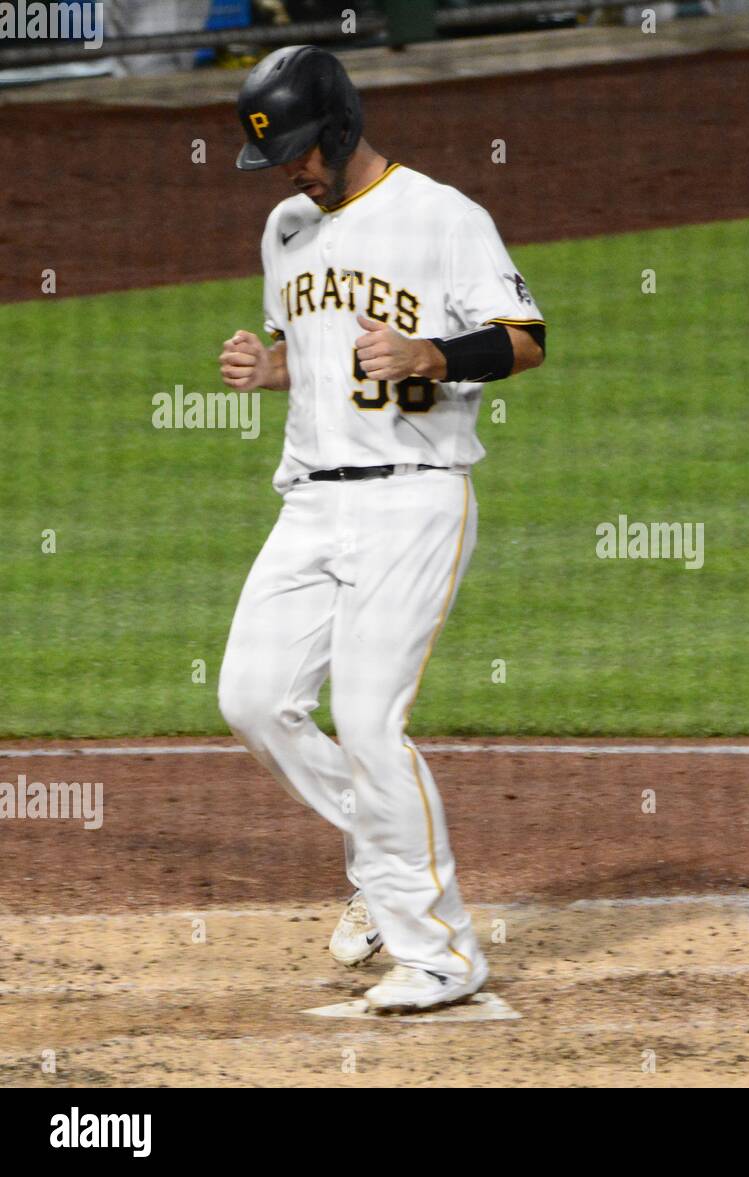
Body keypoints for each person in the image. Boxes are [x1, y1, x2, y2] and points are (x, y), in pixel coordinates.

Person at [217, 45, 545, 1013]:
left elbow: (526, 338)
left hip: (415, 494)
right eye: (282, 159)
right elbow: (309, 346)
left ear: (344, 124)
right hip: (311, 500)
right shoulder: (285, 229)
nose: (294, 172)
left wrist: (432, 353)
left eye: (306, 151)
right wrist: (272, 369)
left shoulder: (442, 216)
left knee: (367, 719)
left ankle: (440, 951)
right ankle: (382, 848)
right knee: (250, 696)